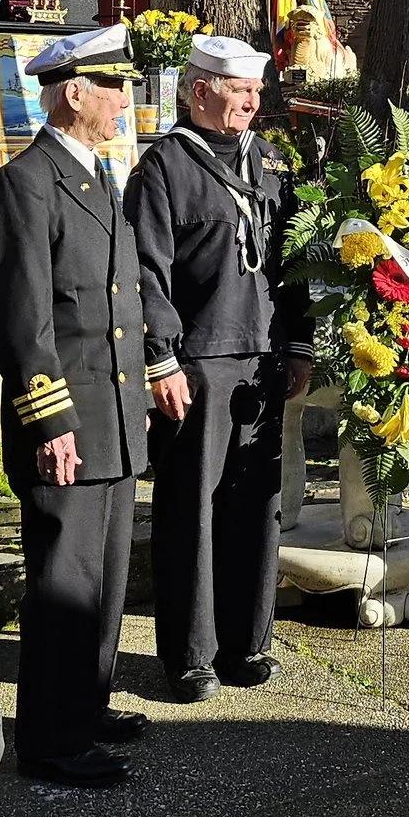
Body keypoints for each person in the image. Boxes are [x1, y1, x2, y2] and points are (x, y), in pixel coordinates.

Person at [0, 22, 152, 788]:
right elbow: (22, 315)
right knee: (64, 582)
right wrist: (49, 419)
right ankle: (49, 739)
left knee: (106, 575)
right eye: (114, 88)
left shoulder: (96, 174)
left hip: (111, 415)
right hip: (68, 422)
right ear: (74, 92)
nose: (124, 102)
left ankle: (87, 700)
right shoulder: (26, 182)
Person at [127, 34, 312, 702]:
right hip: (198, 362)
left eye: (256, 91)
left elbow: (291, 259)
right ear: (198, 89)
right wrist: (161, 359)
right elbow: (144, 273)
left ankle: (246, 642)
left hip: (263, 356)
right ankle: (190, 656)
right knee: (190, 512)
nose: (252, 102)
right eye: (240, 91)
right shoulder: (164, 168)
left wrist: (299, 345)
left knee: (254, 508)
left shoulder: (269, 161)